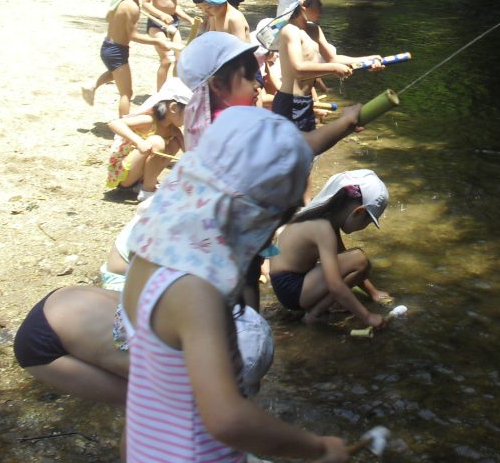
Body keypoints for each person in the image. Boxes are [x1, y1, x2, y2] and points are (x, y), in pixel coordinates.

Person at [121, 107, 358, 462]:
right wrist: (318, 449)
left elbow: (147, 391)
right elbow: (227, 419)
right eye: (283, 212)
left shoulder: (150, 258)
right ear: (256, 213)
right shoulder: (195, 293)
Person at [14, 285, 276, 407]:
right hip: (40, 346)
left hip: (66, 296)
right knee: (149, 404)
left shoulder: (193, 312)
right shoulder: (169, 366)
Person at [269, 170, 391, 328]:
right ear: (358, 212)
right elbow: (336, 284)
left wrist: (373, 293)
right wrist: (367, 317)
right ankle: (314, 314)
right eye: (366, 222)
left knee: (359, 261)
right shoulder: (323, 229)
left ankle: (317, 309)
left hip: (287, 283)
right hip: (292, 289)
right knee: (359, 258)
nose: (364, 227)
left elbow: (347, 261)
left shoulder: (322, 217)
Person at [270, 0, 383, 132]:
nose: (322, 5)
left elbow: (333, 58)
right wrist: (333, 69)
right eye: (318, 1)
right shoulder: (290, 31)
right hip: (290, 102)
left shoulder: (315, 30)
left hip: (306, 101)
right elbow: (298, 69)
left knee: (308, 150)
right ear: (304, 4)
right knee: (294, 151)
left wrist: (368, 60)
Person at [82, 0, 180, 117]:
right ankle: (123, 130)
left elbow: (110, 19)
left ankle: (92, 85)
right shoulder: (131, 6)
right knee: (127, 93)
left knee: (115, 73)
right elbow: (132, 36)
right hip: (116, 51)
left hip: (109, 47)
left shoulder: (123, 0)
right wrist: (157, 40)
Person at [105, 77, 190, 203]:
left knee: (175, 143)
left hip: (137, 176)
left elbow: (190, 153)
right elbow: (114, 123)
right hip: (124, 174)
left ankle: (145, 183)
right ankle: (147, 191)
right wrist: (138, 142)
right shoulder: (149, 121)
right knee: (157, 141)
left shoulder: (174, 130)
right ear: (173, 108)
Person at [177, 31, 261, 151]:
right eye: (248, 77)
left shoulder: (213, 122)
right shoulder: (231, 128)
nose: (256, 84)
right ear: (217, 85)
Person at [142, 0, 195, 90]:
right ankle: (160, 94)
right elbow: (144, 3)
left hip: (173, 23)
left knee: (180, 58)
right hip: (157, 25)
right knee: (165, 60)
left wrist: (188, 18)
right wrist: (161, 15)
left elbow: (174, 5)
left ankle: (175, 90)